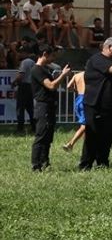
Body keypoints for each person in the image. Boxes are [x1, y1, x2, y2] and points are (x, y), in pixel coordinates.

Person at [79, 37, 112, 171]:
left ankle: (102, 162)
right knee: (93, 135)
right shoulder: (97, 59)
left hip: (111, 106)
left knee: (108, 136)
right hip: (95, 104)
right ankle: (86, 164)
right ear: (109, 47)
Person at [29, 44, 71, 172]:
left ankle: (45, 162)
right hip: (43, 106)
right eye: (52, 55)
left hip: (50, 106)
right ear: (45, 54)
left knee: (48, 136)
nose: (53, 58)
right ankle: (36, 164)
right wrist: (63, 75)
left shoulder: (45, 69)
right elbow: (51, 86)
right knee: (41, 135)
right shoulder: (37, 70)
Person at [62, 70, 87, 153]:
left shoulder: (77, 75)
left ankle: (86, 145)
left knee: (85, 124)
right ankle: (70, 144)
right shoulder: (90, 75)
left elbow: (68, 86)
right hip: (87, 99)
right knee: (84, 125)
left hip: (78, 99)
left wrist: (76, 90)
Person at [13, 50, 35, 135]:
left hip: (24, 86)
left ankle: (20, 128)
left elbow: (21, 76)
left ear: (25, 53)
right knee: (30, 108)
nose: (20, 54)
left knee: (20, 108)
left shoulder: (24, 62)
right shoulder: (33, 62)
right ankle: (34, 127)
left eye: (21, 52)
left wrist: (14, 82)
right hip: (31, 86)